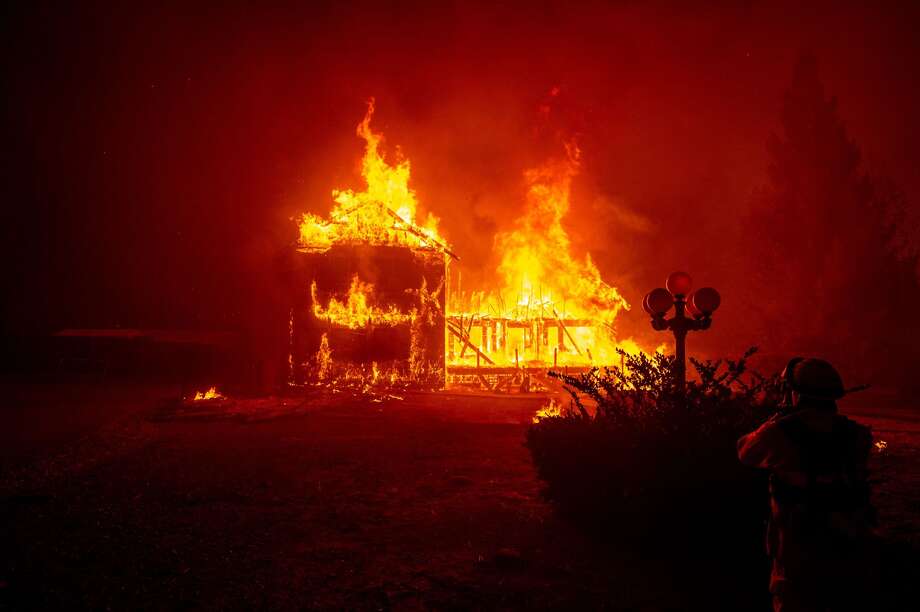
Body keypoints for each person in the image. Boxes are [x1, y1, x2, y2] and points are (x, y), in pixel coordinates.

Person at [737, 358, 877, 612]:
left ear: (794, 393)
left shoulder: (779, 433)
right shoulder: (858, 434)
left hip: (797, 546)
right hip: (847, 541)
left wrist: (778, 417)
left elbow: (745, 451)